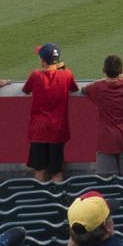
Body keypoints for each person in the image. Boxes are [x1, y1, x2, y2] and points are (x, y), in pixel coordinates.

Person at [24, 44, 78, 182]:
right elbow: (74, 88)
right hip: (58, 129)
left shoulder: (35, 75)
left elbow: (26, 90)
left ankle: (40, 201)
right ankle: (58, 200)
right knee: (57, 171)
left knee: (39, 170)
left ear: (43, 61)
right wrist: (62, 71)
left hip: (38, 129)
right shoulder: (66, 74)